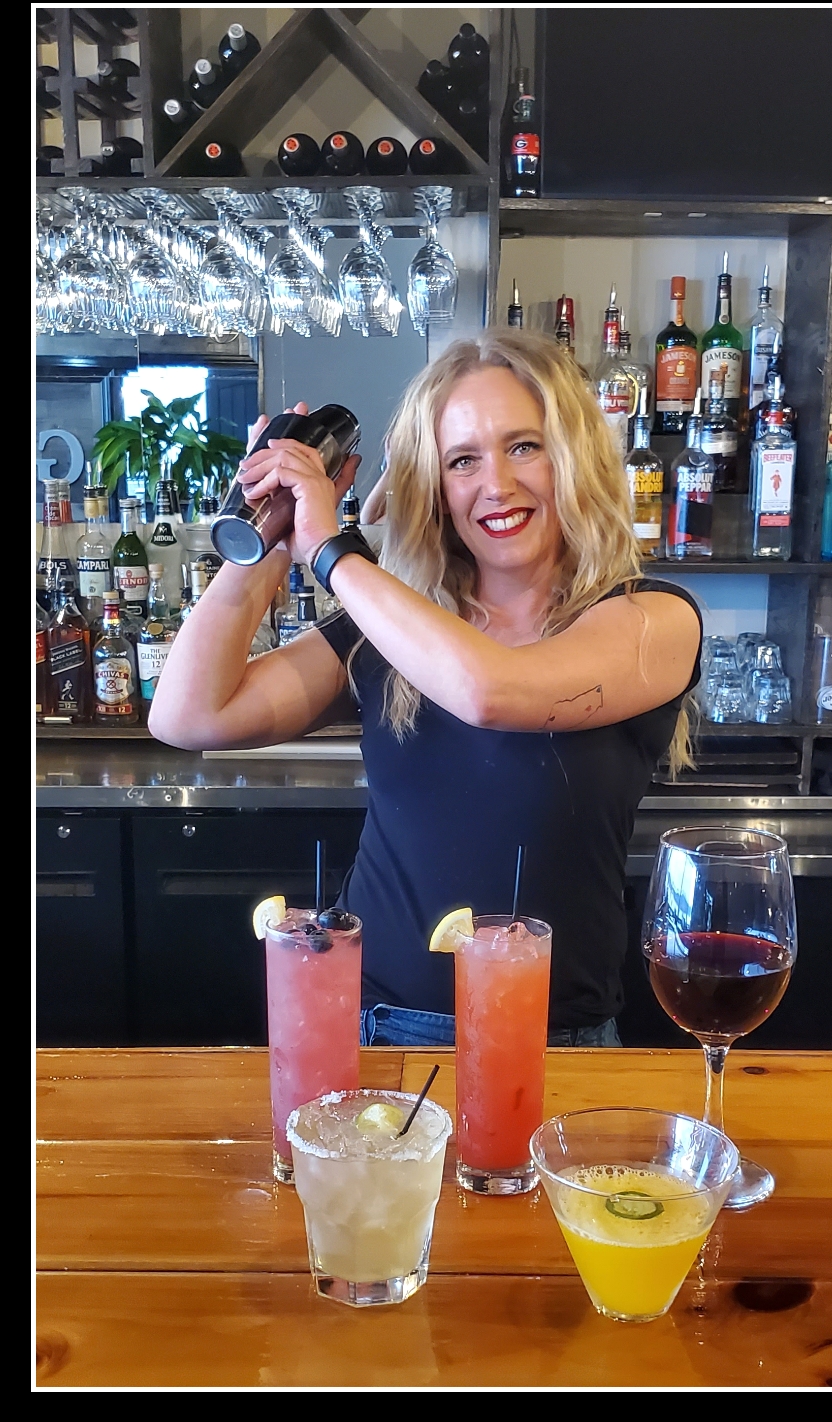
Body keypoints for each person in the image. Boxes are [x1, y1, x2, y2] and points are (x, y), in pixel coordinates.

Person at [149, 329, 702, 1047]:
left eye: (523, 446)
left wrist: (331, 549)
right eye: (462, 460)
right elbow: (188, 712)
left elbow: (490, 692)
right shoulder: (393, 629)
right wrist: (272, 526)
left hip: (550, 1042)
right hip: (368, 1025)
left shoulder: (649, 618)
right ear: (434, 487)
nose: (495, 484)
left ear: (574, 455)